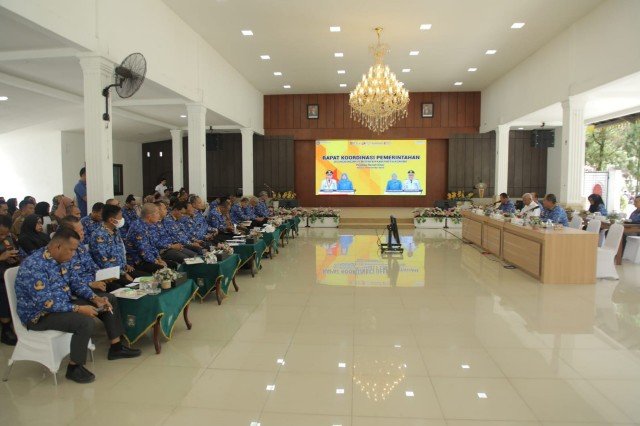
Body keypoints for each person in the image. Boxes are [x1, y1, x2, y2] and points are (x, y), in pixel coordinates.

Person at [15, 227, 141, 384]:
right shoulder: (34, 266)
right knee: (84, 321)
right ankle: (74, 367)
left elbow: (76, 282)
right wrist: (79, 308)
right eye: (71, 250)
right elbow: (46, 303)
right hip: (39, 315)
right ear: (58, 246)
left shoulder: (61, 259)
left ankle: (116, 347)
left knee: (108, 299)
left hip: (63, 303)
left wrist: (95, 298)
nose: (74, 254)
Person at [89, 205, 144, 288]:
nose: (122, 219)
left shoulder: (115, 230)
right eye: (120, 217)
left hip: (122, 269)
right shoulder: (98, 235)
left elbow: (119, 252)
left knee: (145, 278)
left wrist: (125, 265)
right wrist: (123, 274)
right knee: (135, 286)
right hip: (109, 274)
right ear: (111, 220)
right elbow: (104, 262)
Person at [125, 203, 168, 273]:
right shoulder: (138, 228)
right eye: (157, 213)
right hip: (137, 262)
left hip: (147, 258)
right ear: (149, 216)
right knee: (164, 270)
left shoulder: (148, 225)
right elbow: (143, 251)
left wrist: (159, 259)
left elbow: (152, 245)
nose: (159, 215)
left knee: (170, 265)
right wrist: (156, 262)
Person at [0, 214, 20, 345]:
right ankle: (6, 328)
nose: (3, 237)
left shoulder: (9, 238)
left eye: (5, 234)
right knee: (3, 289)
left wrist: (12, 258)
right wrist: (1, 257)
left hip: (6, 270)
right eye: (0, 234)